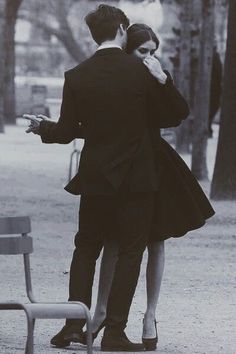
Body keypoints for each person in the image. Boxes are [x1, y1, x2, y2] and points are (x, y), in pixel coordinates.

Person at [23, 5, 189, 352]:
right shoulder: (142, 70)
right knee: (131, 252)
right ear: (122, 29)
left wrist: (44, 128)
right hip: (138, 178)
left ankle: (73, 325)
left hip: (97, 176)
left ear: (93, 34)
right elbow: (175, 115)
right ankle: (114, 332)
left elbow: (68, 132)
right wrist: (163, 79)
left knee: (86, 248)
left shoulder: (77, 75)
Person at [81, 23, 215, 351]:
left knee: (156, 240)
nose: (149, 57)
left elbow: (178, 113)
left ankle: (150, 315)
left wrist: (162, 79)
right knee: (114, 239)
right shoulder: (116, 75)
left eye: (153, 52)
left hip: (153, 166)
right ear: (128, 50)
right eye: (143, 51)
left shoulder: (156, 76)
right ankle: (101, 312)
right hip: (120, 166)